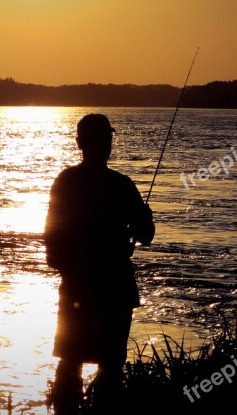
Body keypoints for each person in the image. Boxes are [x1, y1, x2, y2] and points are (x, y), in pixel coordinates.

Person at [44, 114, 155, 414]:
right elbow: (146, 235)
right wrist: (145, 215)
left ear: (80, 143)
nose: (108, 144)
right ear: (104, 143)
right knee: (110, 368)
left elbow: (51, 246)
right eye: (107, 138)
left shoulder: (64, 182)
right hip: (115, 291)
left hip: (76, 290)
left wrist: (72, 268)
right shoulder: (122, 186)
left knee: (70, 362)